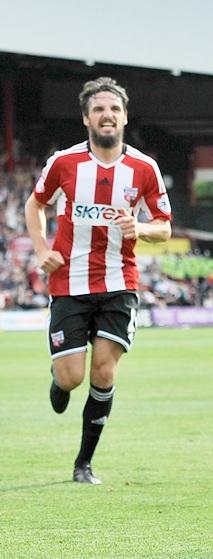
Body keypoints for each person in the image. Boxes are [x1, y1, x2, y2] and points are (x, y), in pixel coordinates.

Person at [24, 77, 172, 485]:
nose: (107, 115)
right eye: (99, 109)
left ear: (124, 117)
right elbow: (35, 205)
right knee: (72, 377)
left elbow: (164, 227)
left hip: (118, 283)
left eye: (114, 109)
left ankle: (83, 463)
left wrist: (139, 228)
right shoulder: (64, 163)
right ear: (86, 117)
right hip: (69, 283)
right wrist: (41, 251)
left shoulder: (144, 168)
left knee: (103, 373)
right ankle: (59, 381)